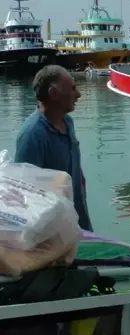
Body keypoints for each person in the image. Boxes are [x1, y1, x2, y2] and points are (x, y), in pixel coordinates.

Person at [14, 65, 92, 232]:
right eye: (72, 89)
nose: (78, 94)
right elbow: (23, 194)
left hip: (79, 221)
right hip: (53, 233)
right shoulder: (33, 134)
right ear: (53, 94)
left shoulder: (68, 123)